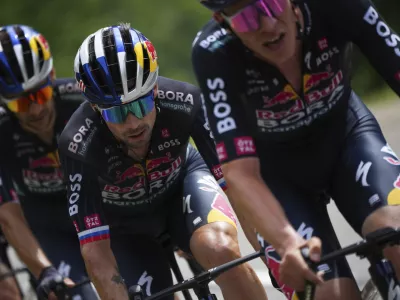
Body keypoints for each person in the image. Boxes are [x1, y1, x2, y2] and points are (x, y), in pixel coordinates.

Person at [191, 0, 400, 299]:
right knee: (326, 292)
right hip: (276, 177)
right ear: (223, 22)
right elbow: (240, 173)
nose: (269, 25)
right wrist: (287, 243)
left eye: (271, 3)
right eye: (248, 18)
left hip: (347, 140)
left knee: (394, 229)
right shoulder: (213, 52)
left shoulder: (339, 6)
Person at [58, 23, 268, 300]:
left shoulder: (186, 102)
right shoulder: (77, 143)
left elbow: (241, 190)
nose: (133, 122)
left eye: (140, 104)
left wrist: (275, 258)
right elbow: (95, 250)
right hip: (124, 225)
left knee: (220, 249)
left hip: (181, 186)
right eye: (117, 114)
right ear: (96, 108)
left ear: (155, 89)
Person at [0, 24, 99, 299]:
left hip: (97, 210)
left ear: (52, 75)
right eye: (20, 104)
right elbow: (8, 214)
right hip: (47, 227)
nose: (36, 110)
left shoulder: (82, 101)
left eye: (40, 94)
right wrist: (44, 271)